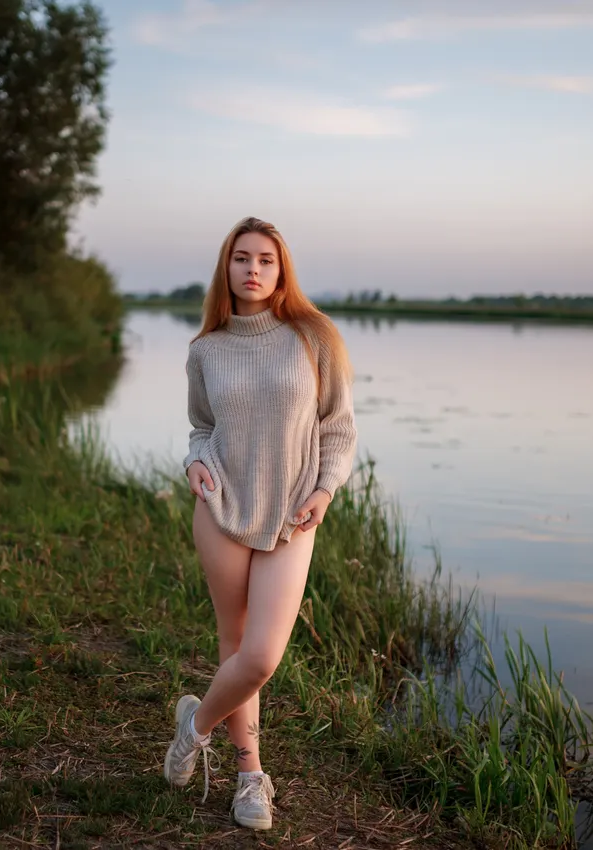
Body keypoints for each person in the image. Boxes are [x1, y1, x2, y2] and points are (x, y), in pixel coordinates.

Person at [161, 216, 358, 830]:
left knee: (262, 656)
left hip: (293, 514)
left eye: (266, 259)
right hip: (221, 506)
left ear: (281, 269)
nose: (253, 269)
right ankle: (251, 777)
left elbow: (338, 428)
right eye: (242, 258)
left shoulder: (314, 337)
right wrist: (195, 462)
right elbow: (201, 428)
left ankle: (193, 731)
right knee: (235, 643)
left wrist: (324, 492)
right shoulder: (206, 350)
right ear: (226, 268)